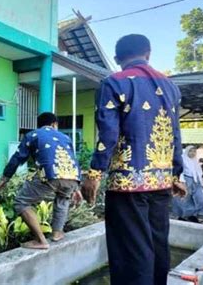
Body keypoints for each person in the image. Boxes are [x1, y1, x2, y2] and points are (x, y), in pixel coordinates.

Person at [81, 34, 187, 285]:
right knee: (158, 244)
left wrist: (94, 174)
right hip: (161, 183)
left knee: (131, 251)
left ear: (117, 59)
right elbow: (175, 133)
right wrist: (176, 174)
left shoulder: (114, 82)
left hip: (127, 185)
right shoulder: (171, 86)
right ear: (148, 53)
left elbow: (107, 133)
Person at [0, 112, 81, 249]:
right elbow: (73, 159)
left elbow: (18, 158)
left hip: (50, 174)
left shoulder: (33, 135)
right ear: (55, 124)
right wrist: (77, 187)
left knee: (21, 202)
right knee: (62, 200)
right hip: (72, 177)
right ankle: (57, 233)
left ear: (40, 125)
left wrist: (5, 177)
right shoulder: (65, 137)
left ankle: (40, 240)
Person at [173, 146, 203, 223]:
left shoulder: (195, 161)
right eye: (190, 151)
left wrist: (202, 183)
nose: (192, 153)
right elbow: (179, 171)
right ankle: (185, 216)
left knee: (201, 199)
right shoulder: (183, 160)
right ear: (187, 151)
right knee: (186, 199)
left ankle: (193, 215)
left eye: (194, 151)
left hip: (196, 181)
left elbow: (198, 173)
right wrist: (181, 181)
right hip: (185, 180)